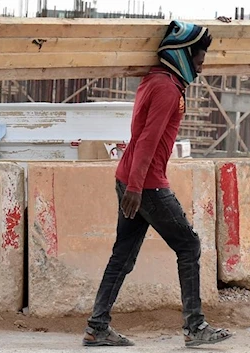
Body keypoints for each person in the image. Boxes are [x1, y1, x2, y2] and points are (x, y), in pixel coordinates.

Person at [82, 18, 233, 348]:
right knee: (189, 245)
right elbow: (148, 140)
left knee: (121, 257)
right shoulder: (167, 89)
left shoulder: (155, 80)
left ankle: (97, 326)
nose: (201, 68)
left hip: (132, 178)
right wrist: (136, 188)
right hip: (146, 184)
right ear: (181, 55)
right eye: (198, 60)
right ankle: (195, 327)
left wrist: (132, 184)